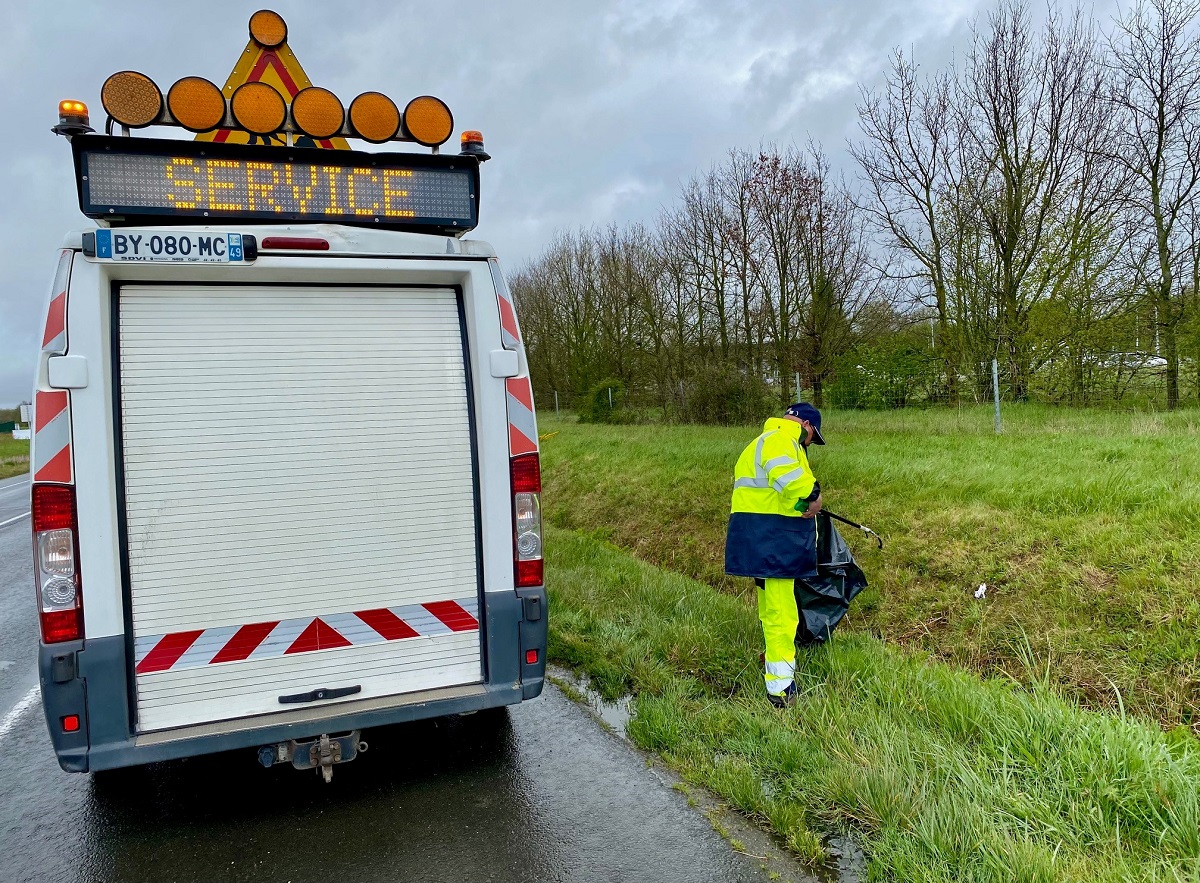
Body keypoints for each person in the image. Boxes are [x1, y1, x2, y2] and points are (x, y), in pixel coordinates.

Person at [724, 402, 824, 708]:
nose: (810, 444)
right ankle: (781, 689)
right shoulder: (782, 439)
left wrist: (800, 504)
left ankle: (771, 659)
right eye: (812, 437)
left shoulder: (759, 442)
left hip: (759, 538)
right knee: (782, 614)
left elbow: (772, 491)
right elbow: (791, 479)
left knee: (771, 610)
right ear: (805, 425)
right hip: (775, 541)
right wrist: (813, 496)